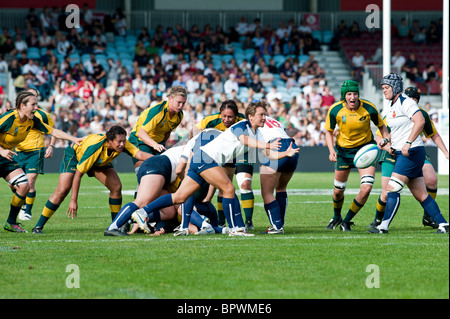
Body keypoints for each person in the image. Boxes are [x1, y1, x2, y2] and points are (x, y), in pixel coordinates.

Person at [126, 102, 299, 237]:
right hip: (206, 159)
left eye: (265, 114)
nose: (264, 118)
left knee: (180, 196)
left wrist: (285, 153)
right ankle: (236, 229)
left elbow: (267, 152)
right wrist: (267, 144)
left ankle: (143, 212)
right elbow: (246, 141)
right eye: (261, 115)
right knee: (228, 188)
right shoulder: (243, 126)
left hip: (201, 159)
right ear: (250, 116)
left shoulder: (258, 134)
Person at [32, 125, 152, 234]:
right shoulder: (95, 147)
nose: (122, 144)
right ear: (109, 140)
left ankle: (115, 226)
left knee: (116, 187)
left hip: (99, 162)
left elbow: (140, 155)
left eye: (123, 141)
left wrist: (161, 158)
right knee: (62, 190)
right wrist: (73, 200)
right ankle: (38, 226)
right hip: (75, 156)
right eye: (119, 142)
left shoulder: (122, 143)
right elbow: (78, 174)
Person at [368, 76, 449, 234]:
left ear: (395, 87)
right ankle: (444, 224)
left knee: (392, 189)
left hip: (411, 152)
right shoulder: (393, 105)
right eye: (382, 88)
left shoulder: (406, 102)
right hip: (402, 152)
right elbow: (398, 129)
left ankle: (383, 226)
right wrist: (386, 140)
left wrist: (408, 143)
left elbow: (419, 121)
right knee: (421, 194)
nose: (383, 90)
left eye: (386, 88)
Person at [0, 91, 82, 233]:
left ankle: (11, 222)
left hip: (6, 156)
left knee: (24, 186)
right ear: (22, 106)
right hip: (3, 152)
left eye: (37, 104)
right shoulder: (8, 118)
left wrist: (73, 139)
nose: (36, 107)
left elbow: (53, 131)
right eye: (33, 104)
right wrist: (1, 151)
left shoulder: (32, 121)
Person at [324, 80, 389, 231]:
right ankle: (336, 216)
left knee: (366, 188)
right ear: (344, 96)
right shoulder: (335, 110)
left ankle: (346, 221)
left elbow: (382, 126)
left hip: (366, 150)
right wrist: (331, 149)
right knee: (338, 190)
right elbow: (328, 131)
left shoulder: (369, 108)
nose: (352, 97)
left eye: (355, 94)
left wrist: (385, 141)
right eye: (349, 94)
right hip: (344, 152)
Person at [190, 100, 255, 229]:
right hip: (225, 153)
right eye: (224, 116)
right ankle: (221, 221)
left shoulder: (243, 121)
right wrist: (197, 144)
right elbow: (194, 130)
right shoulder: (211, 120)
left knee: (245, 183)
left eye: (230, 117)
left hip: (243, 151)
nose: (226, 119)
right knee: (224, 187)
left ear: (236, 116)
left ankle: (248, 221)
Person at [13, 88, 56, 221]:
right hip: (18, 151)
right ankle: (23, 202)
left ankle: (27, 211)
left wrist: (51, 146)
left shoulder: (42, 115)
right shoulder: (14, 115)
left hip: (35, 151)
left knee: (30, 182)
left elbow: (53, 131)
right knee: (13, 184)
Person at [128, 86, 186, 171]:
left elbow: (167, 132)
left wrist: (161, 145)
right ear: (170, 98)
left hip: (157, 143)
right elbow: (141, 133)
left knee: (167, 168)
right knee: (145, 168)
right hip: (139, 139)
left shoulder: (179, 115)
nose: (181, 106)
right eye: (179, 102)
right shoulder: (158, 111)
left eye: (183, 103)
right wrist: (155, 145)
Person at [259, 116, 299, 234]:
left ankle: (277, 226)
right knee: (281, 188)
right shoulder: (275, 120)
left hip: (275, 145)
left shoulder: (252, 121)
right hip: (292, 146)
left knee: (267, 192)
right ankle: (280, 224)